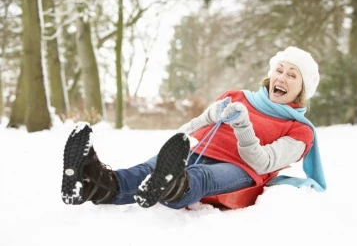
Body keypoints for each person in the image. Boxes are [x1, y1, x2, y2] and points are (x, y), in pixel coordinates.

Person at [61, 46, 326, 209]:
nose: (281, 77)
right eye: (279, 70)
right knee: (146, 169)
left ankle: (172, 186)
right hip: (199, 148)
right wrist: (183, 135)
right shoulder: (236, 96)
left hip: (241, 169)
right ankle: (89, 182)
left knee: (200, 175)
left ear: (302, 90)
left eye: (292, 75)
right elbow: (201, 123)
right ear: (270, 74)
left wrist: (243, 127)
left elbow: (263, 162)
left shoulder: (300, 131)